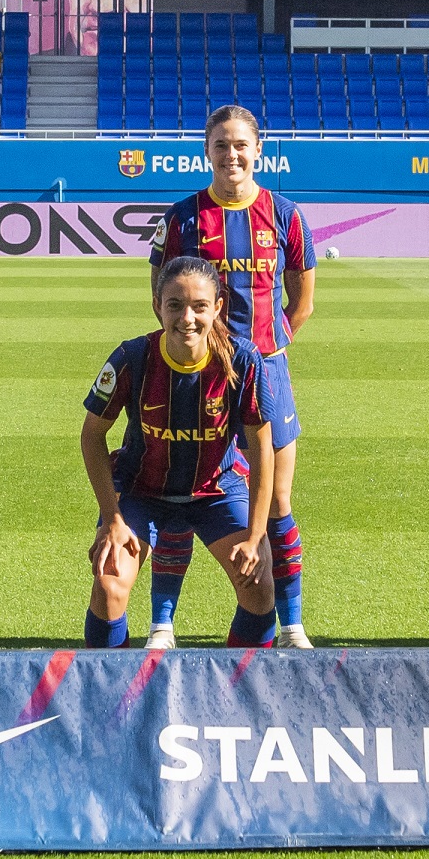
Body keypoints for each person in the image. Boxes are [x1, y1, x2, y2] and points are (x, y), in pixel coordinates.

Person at [147, 105, 316, 649]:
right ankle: (162, 625)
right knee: (181, 491)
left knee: (280, 501)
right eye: (221, 145)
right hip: (200, 375)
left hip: (265, 371)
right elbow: (160, 294)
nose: (232, 154)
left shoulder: (285, 215)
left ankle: (291, 625)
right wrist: (197, 348)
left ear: (258, 150)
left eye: (241, 144)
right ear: (207, 152)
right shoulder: (183, 217)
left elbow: (302, 301)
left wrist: (263, 351)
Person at [80, 256, 274, 648]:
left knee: (258, 583)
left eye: (200, 307)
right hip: (140, 491)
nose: (187, 318)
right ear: (157, 305)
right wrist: (112, 520)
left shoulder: (242, 360)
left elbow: (261, 445)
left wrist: (256, 535)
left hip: (215, 489)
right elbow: (91, 435)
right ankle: (109, 694)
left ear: (217, 308)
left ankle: (246, 693)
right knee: (109, 582)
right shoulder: (131, 358)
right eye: (175, 305)